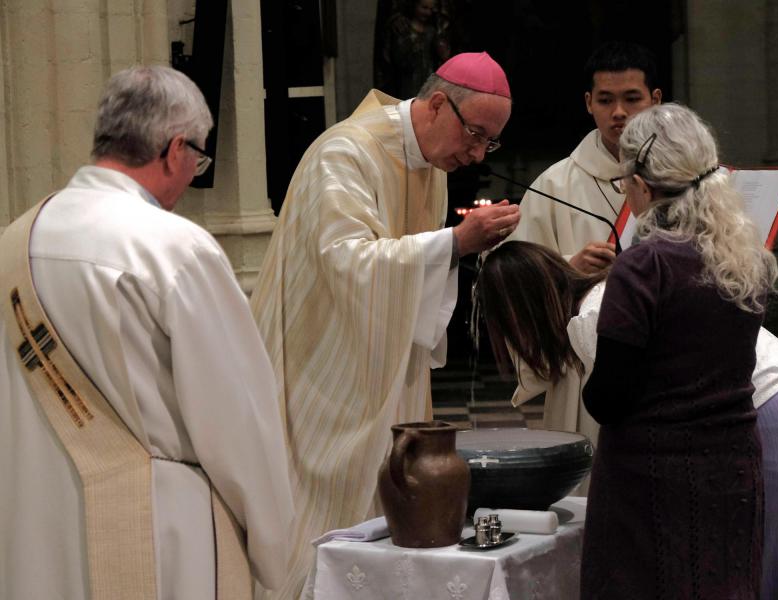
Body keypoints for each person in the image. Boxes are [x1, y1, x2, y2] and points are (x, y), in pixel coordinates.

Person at [0, 66, 294, 600]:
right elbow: (237, 418)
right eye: (198, 159)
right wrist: (275, 547)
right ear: (175, 149)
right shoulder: (172, 248)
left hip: (30, 525)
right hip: (156, 533)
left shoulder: (12, 243)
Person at [249, 51, 519, 599]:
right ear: (437, 105)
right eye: (475, 135)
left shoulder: (430, 165)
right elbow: (347, 261)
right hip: (322, 372)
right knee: (321, 525)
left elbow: (407, 274)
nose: (476, 154)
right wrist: (456, 242)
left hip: (385, 368)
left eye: (489, 143)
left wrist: (452, 248)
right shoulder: (345, 153)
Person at [477, 240, 778, 600]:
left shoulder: (595, 314)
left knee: (769, 572)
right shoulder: (609, 292)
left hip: (768, 409)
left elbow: (626, 412)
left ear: (519, 312)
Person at [580, 103, 777, 597]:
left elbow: (608, 399)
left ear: (641, 185)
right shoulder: (745, 258)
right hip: (732, 467)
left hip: (650, 479)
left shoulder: (645, 266)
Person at [507, 40, 662, 274]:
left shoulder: (684, 177)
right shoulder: (553, 186)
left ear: (655, 100)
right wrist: (569, 268)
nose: (618, 112)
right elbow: (514, 274)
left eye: (631, 99)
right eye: (605, 100)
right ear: (589, 103)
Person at [375, 0, 451, 99]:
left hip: (428, 84)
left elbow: (442, 57)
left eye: (431, 9)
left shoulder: (432, 32)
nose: (428, 12)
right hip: (406, 85)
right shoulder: (403, 30)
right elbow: (398, 60)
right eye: (424, 8)